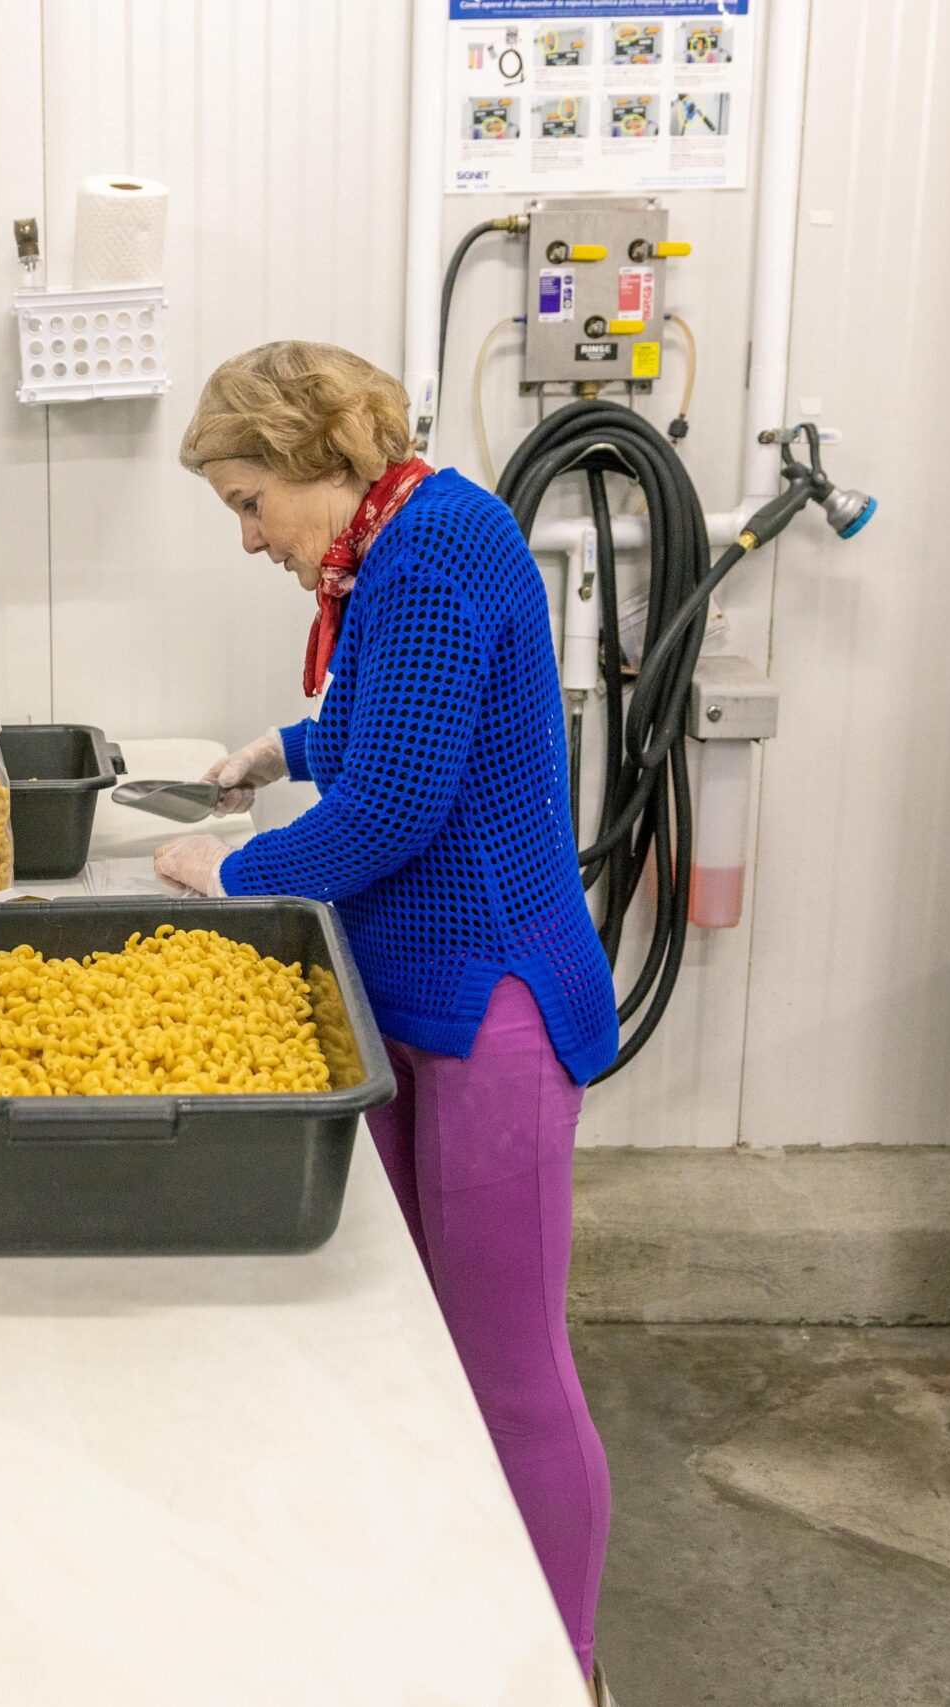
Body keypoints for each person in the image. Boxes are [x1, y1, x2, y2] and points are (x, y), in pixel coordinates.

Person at [157, 340, 621, 1697]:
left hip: (492, 1007)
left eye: (249, 501)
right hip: (418, 992)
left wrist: (232, 867)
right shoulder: (400, 536)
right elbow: (393, 721)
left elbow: (400, 802)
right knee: (424, 1335)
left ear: (317, 461)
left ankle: (560, 1665)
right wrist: (277, 750)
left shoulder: (426, 554)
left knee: (508, 1362)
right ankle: (453, 1604)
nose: (247, 537)